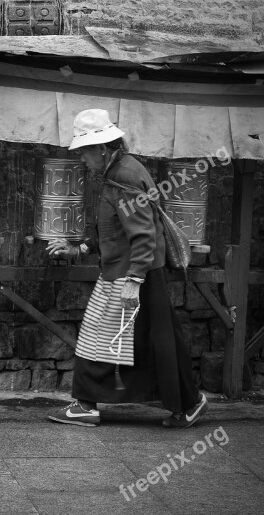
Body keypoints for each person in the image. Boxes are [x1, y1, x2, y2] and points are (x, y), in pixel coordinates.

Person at [46, 109, 208, 428]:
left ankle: (87, 405)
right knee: (155, 339)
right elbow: (114, 230)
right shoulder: (118, 171)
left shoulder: (125, 176)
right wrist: (80, 247)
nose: (82, 160)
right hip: (134, 269)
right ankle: (187, 403)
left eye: (84, 152)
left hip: (134, 272)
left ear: (102, 149)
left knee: (104, 334)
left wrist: (134, 279)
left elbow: (143, 232)